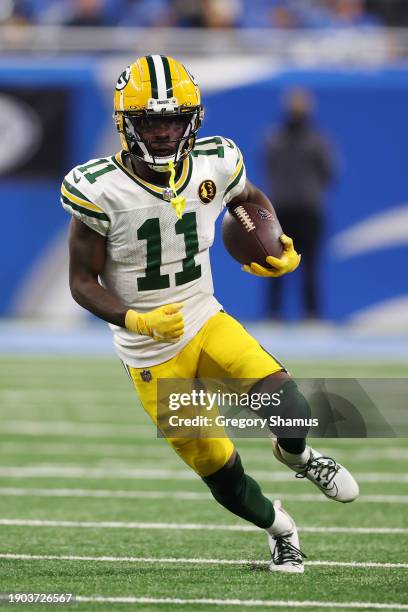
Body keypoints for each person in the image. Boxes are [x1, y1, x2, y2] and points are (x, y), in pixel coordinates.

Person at [61, 56, 358, 573]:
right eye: (151, 122)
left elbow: (249, 197)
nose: (163, 133)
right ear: (125, 125)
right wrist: (136, 320)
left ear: (194, 121)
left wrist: (272, 236)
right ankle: (279, 527)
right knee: (219, 469)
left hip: (204, 317)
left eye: (175, 120)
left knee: (289, 404)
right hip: (149, 351)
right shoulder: (97, 187)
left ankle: (296, 456)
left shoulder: (217, 159)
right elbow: (81, 281)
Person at [266, 88, 334, 320]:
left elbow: (329, 171)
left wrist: (309, 192)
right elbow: (269, 166)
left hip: (307, 211)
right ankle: (273, 314)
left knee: (310, 266)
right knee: (275, 264)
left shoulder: (317, 140)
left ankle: (311, 314)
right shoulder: (275, 138)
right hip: (282, 210)